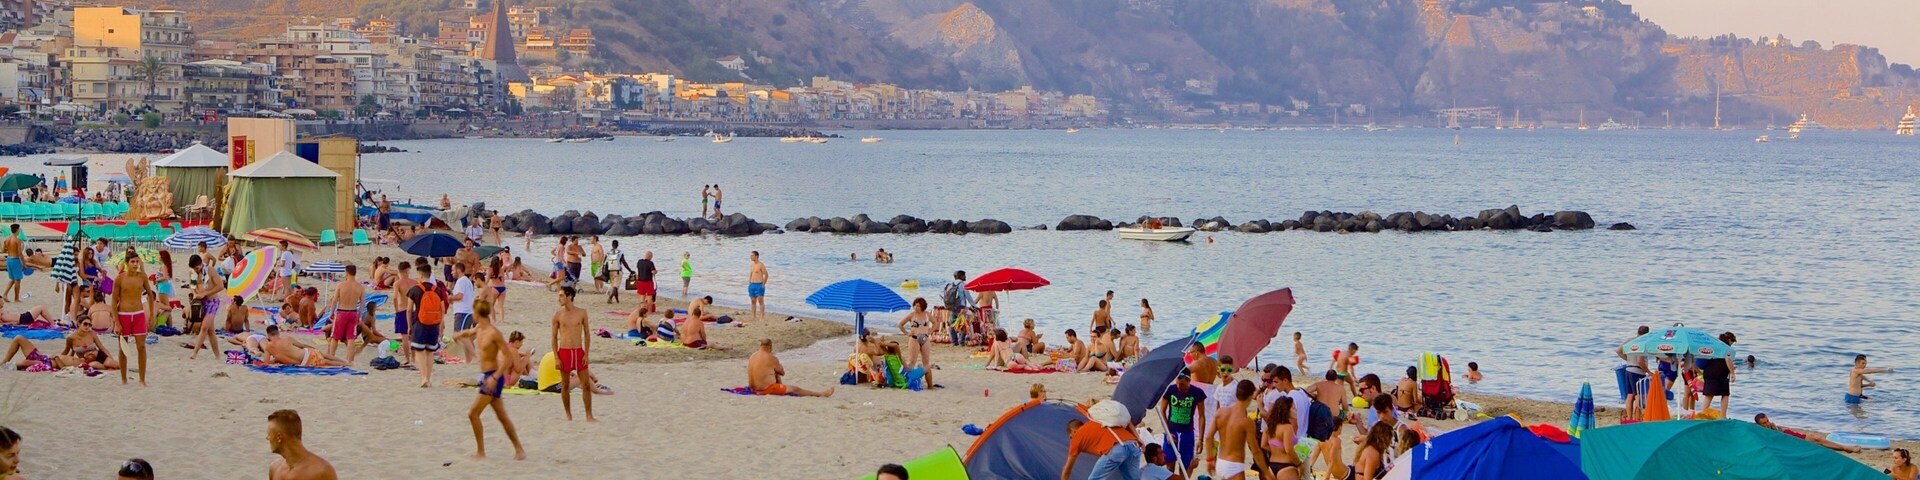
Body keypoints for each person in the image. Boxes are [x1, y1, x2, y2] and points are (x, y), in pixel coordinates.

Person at [458, 300, 527, 460]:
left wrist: (495, 378)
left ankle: (481, 452)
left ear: (477, 313)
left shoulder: (493, 332)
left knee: (473, 414)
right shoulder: (479, 328)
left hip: (493, 377)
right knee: (502, 416)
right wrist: (458, 334)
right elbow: (469, 333)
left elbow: (509, 357)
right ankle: (519, 449)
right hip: (486, 377)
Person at [550, 286, 597, 422]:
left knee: (586, 385)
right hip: (564, 351)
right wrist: (556, 357)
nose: (559, 298)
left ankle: (589, 415)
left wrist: (586, 354)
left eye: (561, 296)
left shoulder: (582, 313)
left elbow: (587, 334)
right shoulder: (557, 315)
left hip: (578, 351)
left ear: (569, 296)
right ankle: (568, 415)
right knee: (565, 385)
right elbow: (553, 337)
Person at [1204, 380, 1266, 480]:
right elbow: (1256, 451)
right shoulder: (1247, 422)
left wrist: (1209, 459)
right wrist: (1266, 472)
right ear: (1250, 396)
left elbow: (1208, 437)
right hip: (1235, 465)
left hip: (1221, 462)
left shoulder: (1221, 413)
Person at [1062, 401, 1140, 480]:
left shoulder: (1077, 437)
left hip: (1117, 448)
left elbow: (1067, 469)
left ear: (1073, 431)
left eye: (1071, 437)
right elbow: (1128, 422)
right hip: (1133, 445)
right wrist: (1139, 439)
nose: (1071, 439)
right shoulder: (1099, 421)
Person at [111, 250, 153, 386]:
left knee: (141, 346)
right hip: (123, 314)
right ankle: (124, 379)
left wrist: (151, 314)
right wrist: (116, 322)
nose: (135, 264)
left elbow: (151, 296)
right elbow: (113, 301)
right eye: (133, 262)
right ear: (127, 263)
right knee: (123, 347)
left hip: (139, 314)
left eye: (137, 261)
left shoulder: (142, 277)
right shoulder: (120, 278)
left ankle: (142, 379)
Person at [407, 262, 449, 387]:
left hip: (420, 323)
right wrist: (441, 325)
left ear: (420, 275)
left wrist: (409, 326)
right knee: (430, 352)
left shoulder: (415, 290)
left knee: (419, 351)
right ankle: (428, 379)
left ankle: (424, 378)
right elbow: (442, 309)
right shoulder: (438, 290)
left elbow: (409, 309)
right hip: (434, 324)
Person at [1159, 368, 1207, 475]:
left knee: (1185, 467)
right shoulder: (1171, 390)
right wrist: (1167, 432)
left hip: (1187, 432)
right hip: (1172, 431)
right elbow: (1162, 410)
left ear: (1189, 381)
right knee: (1169, 465)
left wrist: (1201, 439)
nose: (1179, 387)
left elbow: (1201, 416)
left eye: (1182, 384)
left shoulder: (1197, 393)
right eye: (1177, 383)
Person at [266, 410, 337, 480]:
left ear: (279, 437)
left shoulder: (322, 471)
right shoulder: (274, 469)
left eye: (269, 434)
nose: (267, 438)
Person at [748, 338, 833, 397]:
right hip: (765, 389)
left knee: (772, 370)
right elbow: (782, 373)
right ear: (770, 346)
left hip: (752, 388)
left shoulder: (753, 355)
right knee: (795, 389)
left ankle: (779, 387)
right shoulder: (771, 358)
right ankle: (821, 394)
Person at [1752, 413, 1861, 453]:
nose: (1767, 423)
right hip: (1789, 441)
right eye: (1764, 423)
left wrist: (1786, 430)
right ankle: (1845, 448)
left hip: (1790, 436)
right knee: (1816, 440)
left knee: (1816, 438)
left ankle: (1845, 447)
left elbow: (1782, 429)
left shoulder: (1771, 426)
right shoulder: (1761, 432)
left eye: (1767, 421)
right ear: (1759, 425)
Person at [324, 264, 366, 361]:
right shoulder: (360, 287)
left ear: (346, 273)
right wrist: (359, 314)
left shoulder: (341, 285)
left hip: (342, 312)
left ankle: (332, 357)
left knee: (335, 337)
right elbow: (363, 303)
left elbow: (335, 300)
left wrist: (331, 312)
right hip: (353, 312)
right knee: (351, 338)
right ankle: (349, 361)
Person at [1617, 325, 1652, 419]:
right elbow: (1640, 361)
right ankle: (1637, 418)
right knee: (1638, 396)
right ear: (1647, 334)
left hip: (1628, 370)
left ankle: (1629, 418)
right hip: (1637, 372)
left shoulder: (1630, 340)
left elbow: (1618, 351)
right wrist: (1648, 372)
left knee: (1629, 395)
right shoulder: (1642, 343)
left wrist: (1628, 360)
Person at [897, 298, 935, 383]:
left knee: (926, 362)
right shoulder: (912, 315)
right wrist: (907, 333)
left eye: (918, 305)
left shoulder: (927, 315)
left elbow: (936, 323)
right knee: (911, 361)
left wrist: (930, 331)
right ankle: (907, 380)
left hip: (925, 339)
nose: (916, 307)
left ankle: (930, 384)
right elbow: (900, 324)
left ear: (922, 306)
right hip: (914, 339)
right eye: (915, 305)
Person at [1263, 396, 1302, 480]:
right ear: (1287, 411)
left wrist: (1278, 449)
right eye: (1293, 408)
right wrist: (1299, 464)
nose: (1296, 410)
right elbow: (1288, 450)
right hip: (1286, 467)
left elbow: (1263, 445)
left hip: (1271, 466)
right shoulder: (1287, 427)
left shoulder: (1269, 426)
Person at [1699, 332, 1737, 414]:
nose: (1732, 344)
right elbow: (1728, 359)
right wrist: (1732, 373)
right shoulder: (1727, 348)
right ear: (1729, 340)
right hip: (1719, 374)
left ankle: (1702, 414)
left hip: (1708, 372)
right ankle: (1723, 415)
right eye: (1732, 342)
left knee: (1709, 395)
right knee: (1725, 394)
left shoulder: (1715, 346)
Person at [449, 263, 477, 362]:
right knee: (465, 337)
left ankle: (474, 357)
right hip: (466, 311)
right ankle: (469, 359)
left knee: (460, 336)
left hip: (463, 312)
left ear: (458, 270)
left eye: (453, 270)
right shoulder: (466, 281)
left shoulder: (461, 281)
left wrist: (449, 298)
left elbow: (460, 296)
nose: (451, 272)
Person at [747, 251, 768, 322]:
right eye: (751, 255)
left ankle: (761, 317)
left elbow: (766, 274)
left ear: (756, 256)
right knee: (753, 302)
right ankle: (753, 316)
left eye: (752, 255)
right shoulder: (752, 265)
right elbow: (751, 274)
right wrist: (749, 282)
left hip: (759, 285)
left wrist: (763, 284)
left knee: (760, 301)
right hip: (752, 285)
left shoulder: (761, 265)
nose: (751, 257)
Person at [4, 224, 23, 302]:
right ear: (17, 230)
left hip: (9, 259)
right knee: (17, 280)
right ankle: (16, 298)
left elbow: (3, 250)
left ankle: (5, 294)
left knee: (12, 279)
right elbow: (19, 254)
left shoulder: (7, 239)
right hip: (15, 260)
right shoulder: (17, 240)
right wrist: (24, 264)